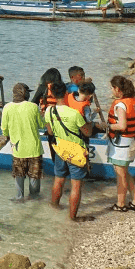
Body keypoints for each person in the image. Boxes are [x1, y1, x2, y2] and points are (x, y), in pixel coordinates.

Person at [44, 81, 95, 222]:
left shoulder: (49, 111)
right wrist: (90, 122)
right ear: (66, 94)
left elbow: (49, 131)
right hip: (76, 152)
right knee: (76, 185)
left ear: (53, 95)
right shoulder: (74, 114)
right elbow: (87, 133)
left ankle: (54, 206)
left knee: (58, 179)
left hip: (60, 149)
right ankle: (73, 217)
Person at [0, 82, 45, 201]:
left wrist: (7, 135)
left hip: (17, 148)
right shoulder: (33, 107)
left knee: (19, 175)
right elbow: (41, 125)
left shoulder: (7, 107)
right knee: (34, 176)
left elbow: (4, 129)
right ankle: (34, 199)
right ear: (25, 94)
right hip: (34, 148)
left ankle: (19, 197)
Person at [105, 75, 135, 212]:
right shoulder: (132, 101)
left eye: (112, 88)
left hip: (120, 143)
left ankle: (120, 204)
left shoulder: (120, 105)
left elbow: (121, 125)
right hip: (129, 140)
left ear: (118, 89)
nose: (111, 91)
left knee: (120, 174)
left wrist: (109, 126)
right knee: (125, 172)